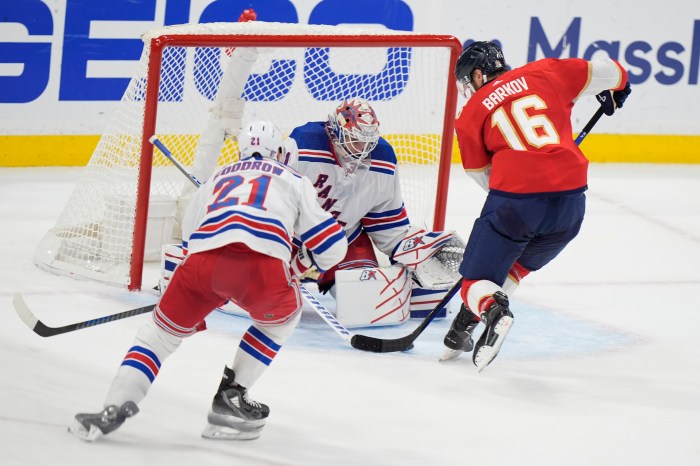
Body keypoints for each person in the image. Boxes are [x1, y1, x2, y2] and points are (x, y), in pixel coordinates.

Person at [69, 121, 348, 441]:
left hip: (200, 267)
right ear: (281, 151)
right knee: (281, 319)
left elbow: (190, 239)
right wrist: (302, 265)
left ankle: (113, 406)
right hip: (261, 269)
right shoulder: (294, 180)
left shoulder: (217, 177)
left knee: (156, 337)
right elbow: (333, 247)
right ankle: (232, 396)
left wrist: (210, 289)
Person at [441, 41, 632, 371]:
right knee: (516, 267)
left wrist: (514, 197)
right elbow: (614, 71)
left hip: (516, 203)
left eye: (466, 81)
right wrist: (621, 88)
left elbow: (483, 176)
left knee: (475, 281)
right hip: (571, 203)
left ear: (476, 73)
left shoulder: (469, 114)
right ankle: (464, 326)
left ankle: (494, 312)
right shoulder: (546, 72)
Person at [286, 98, 457, 326]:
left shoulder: (383, 160)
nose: (362, 149)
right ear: (335, 132)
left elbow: (386, 225)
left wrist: (416, 250)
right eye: (355, 140)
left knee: (366, 301)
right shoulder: (304, 144)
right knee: (259, 291)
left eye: (368, 142)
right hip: (290, 238)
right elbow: (274, 198)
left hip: (343, 241)